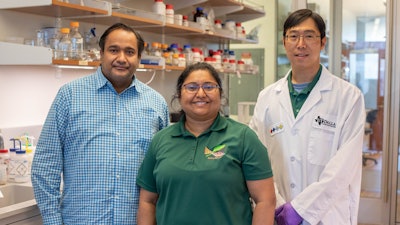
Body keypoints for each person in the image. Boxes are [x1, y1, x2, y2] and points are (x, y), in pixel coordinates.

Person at [31, 23, 170, 224]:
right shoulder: (70, 96)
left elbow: (164, 171)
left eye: (130, 52)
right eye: (114, 50)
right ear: (101, 53)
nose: (121, 58)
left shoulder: (156, 103)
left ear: (139, 58)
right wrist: (53, 220)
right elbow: (45, 166)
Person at [249, 9, 366, 225]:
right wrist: (277, 204)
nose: (300, 44)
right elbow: (256, 158)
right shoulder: (267, 98)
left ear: (323, 42)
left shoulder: (349, 97)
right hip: (276, 212)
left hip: (327, 215)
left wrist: (301, 209)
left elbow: (344, 166)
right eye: (293, 36)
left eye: (309, 36)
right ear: (285, 42)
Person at [136, 62, 276, 225]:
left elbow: (265, 200)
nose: (201, 93)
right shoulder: (161, 140)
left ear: (220, 94)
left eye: (209, 87)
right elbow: (147, 201)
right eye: (192, 87)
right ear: (179, 95)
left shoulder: (244, 138)